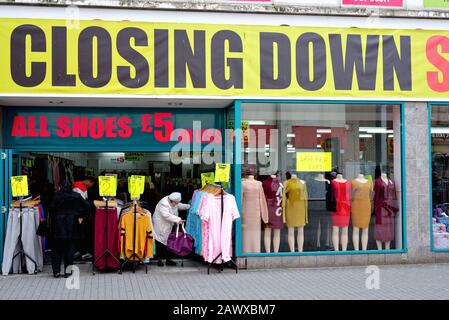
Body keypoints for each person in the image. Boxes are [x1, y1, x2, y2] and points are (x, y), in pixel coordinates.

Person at [49, 183, 90, 278]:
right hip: (72, 225)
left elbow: (50, 208)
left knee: (56, 249)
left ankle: (56, 271)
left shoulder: (57, 196)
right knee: (70, 249)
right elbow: (87, 207)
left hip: (58, 225)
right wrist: (79, 214)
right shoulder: (76, 196)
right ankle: (67, 272)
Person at [152, 192, 191, 266]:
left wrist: (189, 206)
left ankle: (168, 259)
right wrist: (178, 219)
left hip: (169, 224)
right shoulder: (164, 203)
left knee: (170, 242)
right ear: (172, 201)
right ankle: (159, 260)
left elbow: (179, 205)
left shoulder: (172, 200)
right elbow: (166, 215)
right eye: (176, 203)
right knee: (160, 242)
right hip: (161, 224)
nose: (176, 204)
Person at [72, 176, 96, 261]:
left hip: (79, 214)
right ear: (88, 181)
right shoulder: (79, 187)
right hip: (79, 214)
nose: (90, 186)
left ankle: (79, 251)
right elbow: (81, 203)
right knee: (81, 233)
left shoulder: (78, 185)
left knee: (80, 233)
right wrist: (81, 215)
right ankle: (80, 251)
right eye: (91, 184)